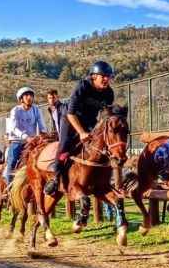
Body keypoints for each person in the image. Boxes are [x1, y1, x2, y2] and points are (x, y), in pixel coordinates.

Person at [45, 61, 116, 196]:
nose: (107, 79)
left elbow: (106, 116)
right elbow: (71, 113)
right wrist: (82, 132)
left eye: (109, 76)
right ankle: (55, 178)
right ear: (94, 76)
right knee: (64, 145)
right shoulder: (82, 86)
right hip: (71, 119)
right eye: (103, 76)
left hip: (90, 121)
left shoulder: (109, 93)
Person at [6, 86, 47, 185]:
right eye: (26, 95)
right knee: (12, 161)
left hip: (33, 140)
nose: (29, 97)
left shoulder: (36, 109)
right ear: (21, 99)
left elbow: (41, 124)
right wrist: (26, 137)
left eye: (31, 95)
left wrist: (44, 134)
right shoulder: (15, 110)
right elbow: (13, 128)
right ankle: (9, 187)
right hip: (18, 141)